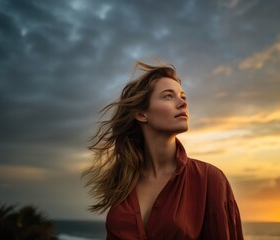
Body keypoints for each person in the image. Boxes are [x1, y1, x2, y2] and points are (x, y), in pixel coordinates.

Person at [83, 60, 244, 240]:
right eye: (168, 96)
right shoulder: (123, 181)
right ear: (142, 114)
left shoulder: (209, 180)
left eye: (183, 96)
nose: (182, 103)